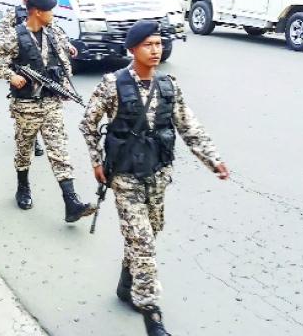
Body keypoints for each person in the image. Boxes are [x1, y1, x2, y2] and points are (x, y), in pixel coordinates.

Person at [79, 20, 230, 336]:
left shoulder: (169, 87)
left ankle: (126, 282)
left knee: (149, 232)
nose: (156, 50)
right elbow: (88, 124)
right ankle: (152, 316)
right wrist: (96, 162)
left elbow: (190, 128)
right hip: (125, 178)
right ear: (132, 49)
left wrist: (213, 160)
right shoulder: (112, 85)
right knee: (144, 243)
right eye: (148, 44)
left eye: (159, 44)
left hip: (158, 176)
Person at [0, 0, 94, 222]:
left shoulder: (52, 35)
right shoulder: (14, 37)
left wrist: (63, 87)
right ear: (38, 12)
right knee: (24, 150)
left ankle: (71, 202)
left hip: (51, 104)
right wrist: (10, 75)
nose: (53, 14)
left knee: (59, 150)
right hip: (26, 106)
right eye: (50, 10)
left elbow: (63, 65)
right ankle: (23, 187)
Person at [0, 0, 45, 157]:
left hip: (39, 65)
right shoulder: (13, 14)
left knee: (41, 100)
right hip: (20, 67)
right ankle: (28, 138)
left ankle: (35, 137)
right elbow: (1, 39)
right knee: (24, 102)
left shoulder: (42, 11)